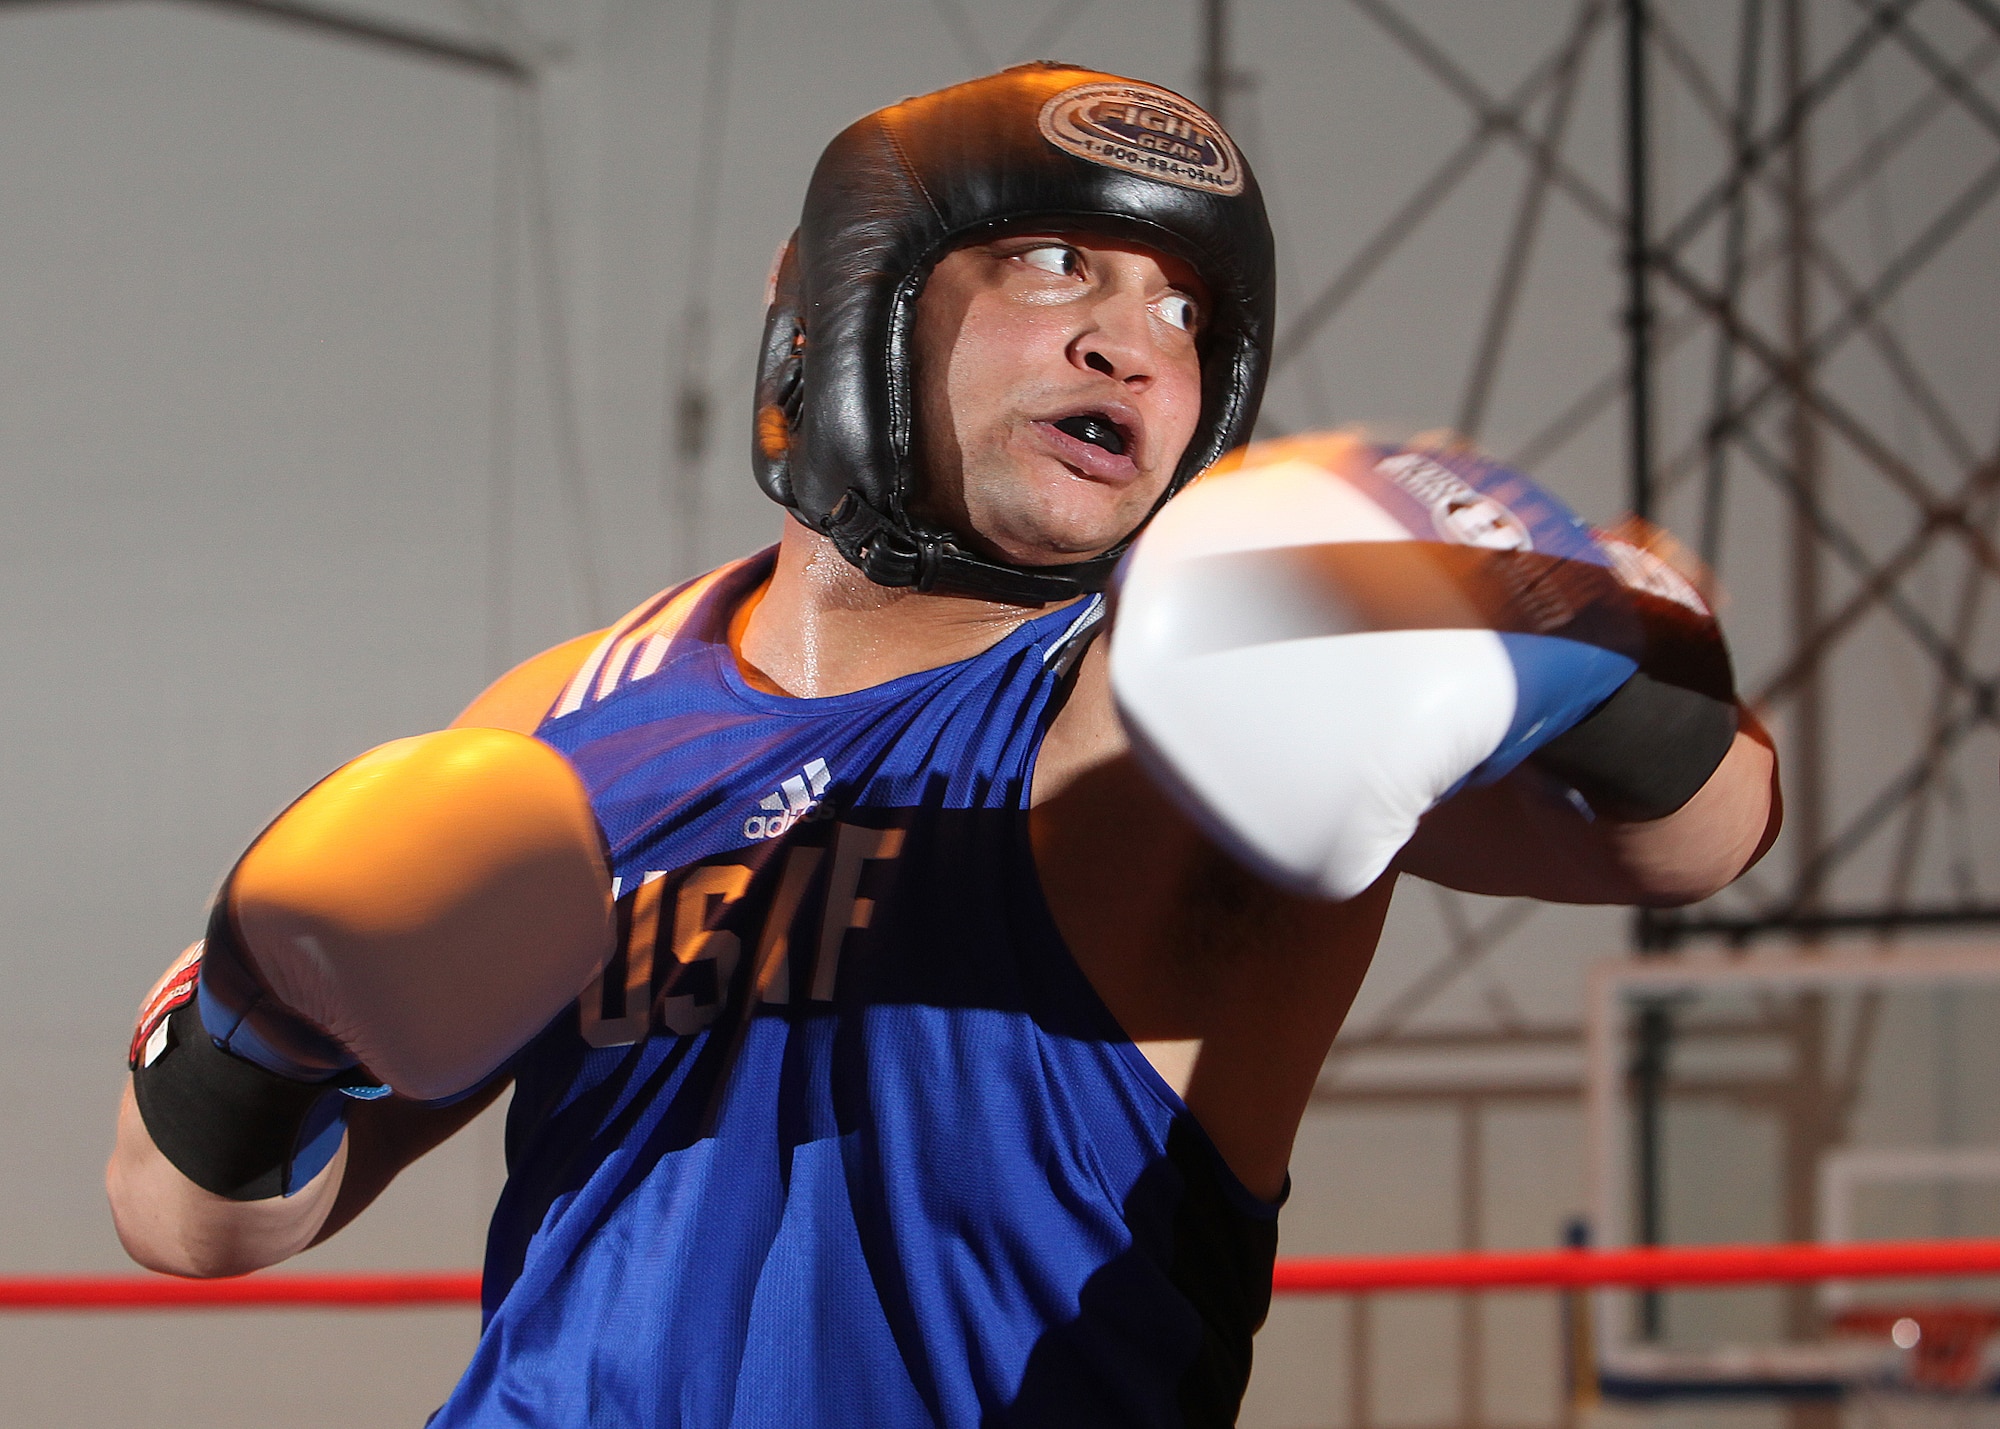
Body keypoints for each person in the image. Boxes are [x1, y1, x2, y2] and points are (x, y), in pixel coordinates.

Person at [107, 64, 1779, 1426]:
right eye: (1059, 262)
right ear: (848, 307)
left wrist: (1584, 630)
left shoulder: (1177, 705)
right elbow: (193, 1220)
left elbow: (1691, 837)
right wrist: (259, 1023)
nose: (1135, 339)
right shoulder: (566, 715)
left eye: (1189, 309)